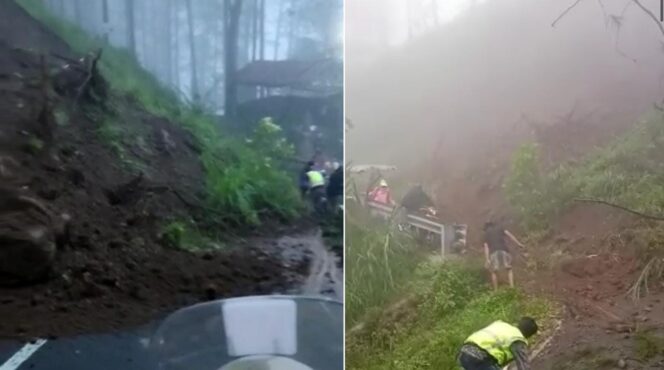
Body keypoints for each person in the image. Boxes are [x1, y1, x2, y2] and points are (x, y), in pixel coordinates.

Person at [458, 317, 538, 370]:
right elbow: (523, 365)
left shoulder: (502, 326)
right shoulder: (517, 339)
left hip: (463, 353)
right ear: (528, 335)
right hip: (480, 357)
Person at [483, 221, 525, 290]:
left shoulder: (486, 234)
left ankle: (496, 291)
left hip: (493, 252)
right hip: (504, 250)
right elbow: (510, 235)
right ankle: (512, 287)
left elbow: (486, 247)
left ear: (486, 228)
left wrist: (487, 259)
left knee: (493, 271)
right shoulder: (500, 228)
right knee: (509, 269)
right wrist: (519, 243)